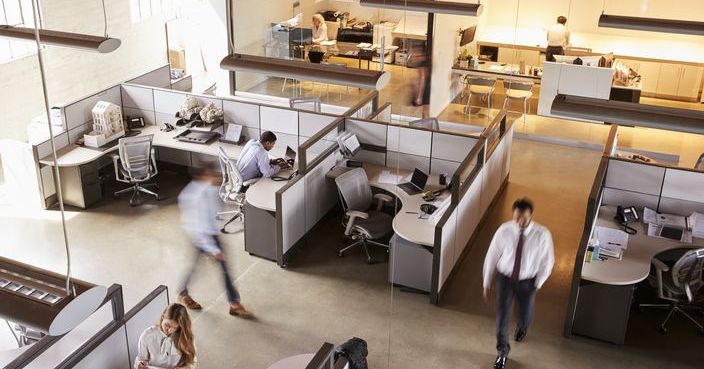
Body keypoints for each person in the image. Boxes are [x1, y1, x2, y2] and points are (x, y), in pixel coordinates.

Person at [482, 198, 555, 369]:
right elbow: (491, 255)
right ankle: (502, 353)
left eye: (524, 218)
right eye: (516, 218)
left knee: (525, 315)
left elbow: (548, 261)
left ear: (531, 216)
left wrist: (538, 283)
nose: (519, 222)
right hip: (505, 279)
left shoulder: (542, 234)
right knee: (502, 316)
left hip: (528, 281)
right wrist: (486, 282)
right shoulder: (504, 230)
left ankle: (522, 327)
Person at [177, 161, 252, 318]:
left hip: (209, 234)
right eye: (211, 175)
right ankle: (234, 303)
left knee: (197, 266)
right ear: (202, 176)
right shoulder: (195, 197)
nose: (217, 177)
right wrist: (213, 249)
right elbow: (199, 226)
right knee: (222, 268)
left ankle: (183, 291)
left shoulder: (209, 189)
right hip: (202, 237)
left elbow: (212, 216)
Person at [134, 303, 196, 369]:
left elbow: (191, 363)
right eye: (167, 325)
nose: (170, 330)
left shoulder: (185, 335)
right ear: (162, 317)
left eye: (175, 327)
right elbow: (142, 360)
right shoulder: (147, 335)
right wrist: (139, 364)